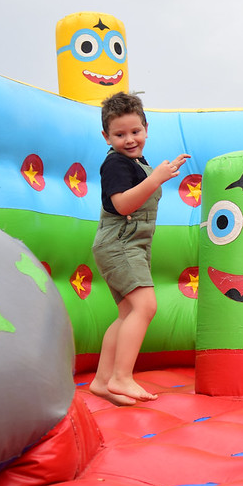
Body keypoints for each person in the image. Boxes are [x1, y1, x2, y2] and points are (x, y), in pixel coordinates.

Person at [89, 92, 190, 406]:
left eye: (135, 132)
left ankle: (102, 381)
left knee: (128, 314)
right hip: (119, 243)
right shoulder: (115, 164)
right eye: (119, 135)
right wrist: (156, 179)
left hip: (131, 245)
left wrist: (158, 173)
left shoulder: (135, 161)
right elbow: (121, 204)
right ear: (106, 136)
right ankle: (121, 377)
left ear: (146, 127)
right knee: (145, 307)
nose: (129, 140)